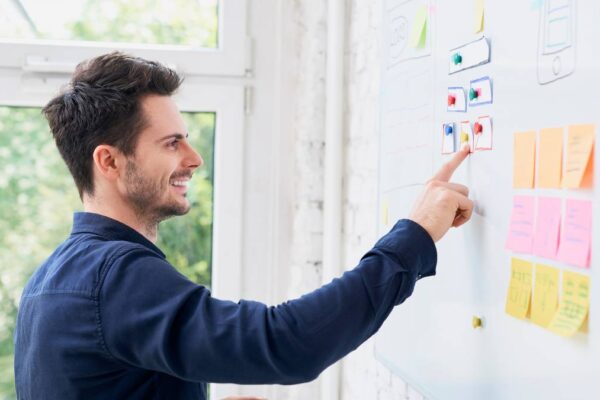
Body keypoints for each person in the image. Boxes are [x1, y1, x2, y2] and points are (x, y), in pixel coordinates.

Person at [14, 52, 473, 400]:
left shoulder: (50, 279)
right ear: (109, 161)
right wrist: (413, 236)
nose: (193, 160)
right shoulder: (114, 278)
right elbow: (287, 343)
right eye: (172, 143)